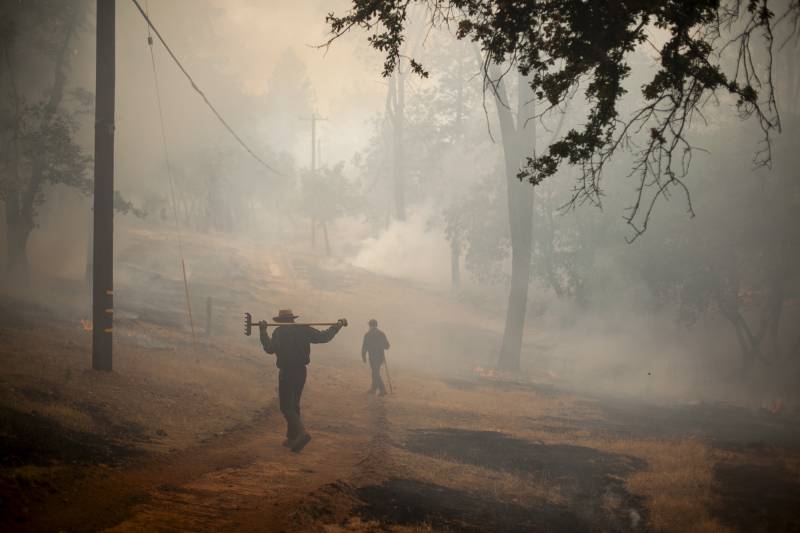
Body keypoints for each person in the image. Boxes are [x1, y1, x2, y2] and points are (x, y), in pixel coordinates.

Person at [259, 309, 342, 452]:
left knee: (286, 407)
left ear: (281, 321)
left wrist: (263, 332)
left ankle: (302, 434)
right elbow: (324, 337)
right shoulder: (304, 329)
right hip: (301, 371)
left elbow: (269, 349)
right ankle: (292, 438)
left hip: (287, 372)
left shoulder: (279, 332)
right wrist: (337, 326)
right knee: (294, 404)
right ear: (292, 319)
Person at [362, 318, 390, 396]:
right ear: (376, 325)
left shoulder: (367, 334)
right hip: (380, 357)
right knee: (375, 372)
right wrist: (381, 345)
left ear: (370, 325)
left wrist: (363, 357)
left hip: (372, 357)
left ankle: (383, 390)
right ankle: (373, 389)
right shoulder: (381, 333)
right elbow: (387, 346)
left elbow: (364, 347)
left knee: (375, 373)